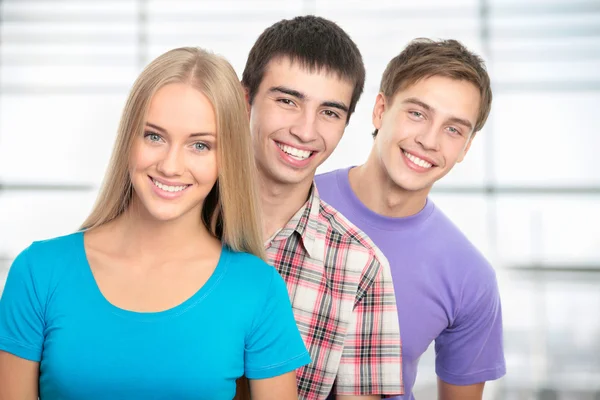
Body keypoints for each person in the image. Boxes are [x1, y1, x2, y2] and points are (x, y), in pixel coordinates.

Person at [0, 46, 310, 400]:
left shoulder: (258, 288)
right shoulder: (39, 271)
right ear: (128, 139)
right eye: (154, 137)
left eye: (200, 145)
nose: (170, 165)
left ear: (227, 158)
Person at [316, 38, 506, 399]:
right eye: (417, 113)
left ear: (466, 147)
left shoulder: (470, 277)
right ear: (380, 111)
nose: (429, 141)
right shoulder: (292, 205)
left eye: (453, 129)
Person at [242, 16, 403, 400]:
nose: (305, 130)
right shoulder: (178, 219)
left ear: (346, 124)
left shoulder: (361, 266)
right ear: (244, 97)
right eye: (287, 101)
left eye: (329, 112)